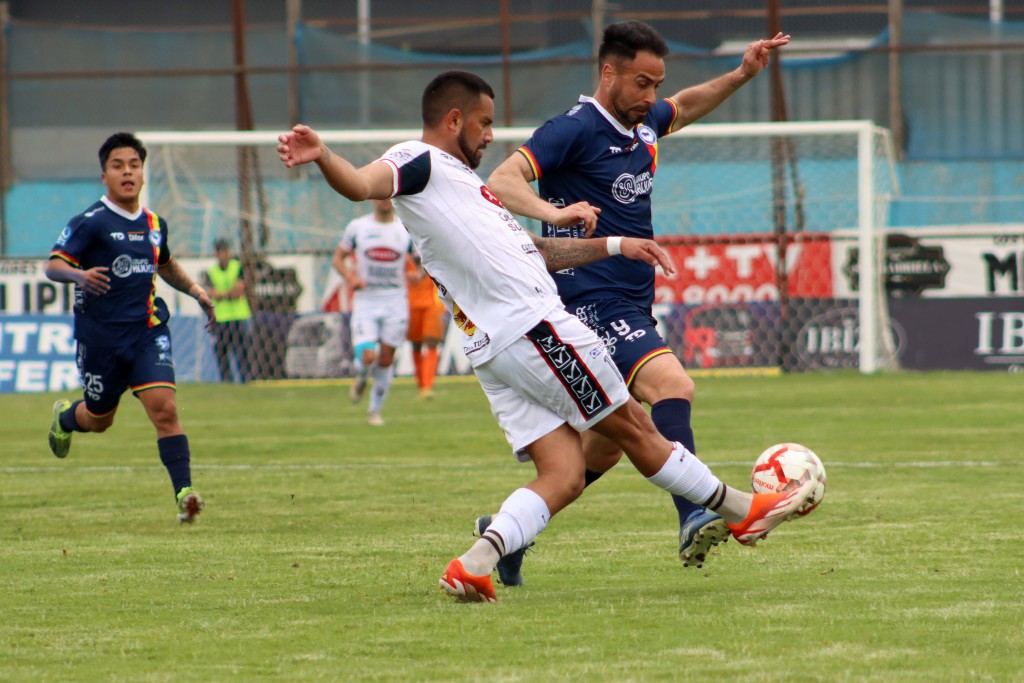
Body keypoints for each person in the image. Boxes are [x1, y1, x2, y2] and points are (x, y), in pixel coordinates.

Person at [277, 70, 814, 603]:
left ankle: (476, 563)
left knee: (564, 474)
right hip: (530, 326)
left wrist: (613, 246)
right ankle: (743, 511)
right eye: (484, 124)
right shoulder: (417, 160)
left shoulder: (467, 188)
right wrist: (324, 155)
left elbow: (533, 250)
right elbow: (361, 184)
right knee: (632, 425)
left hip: (495, 350)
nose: (490, 136)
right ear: (454, 119)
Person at [486, 21, 791, 575]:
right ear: (609, 73)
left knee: (597, 454)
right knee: (673, 384)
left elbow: (685, 105)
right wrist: (556, 214)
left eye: (656, 83)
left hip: (629, 299)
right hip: (587, 297)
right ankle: (695, 512)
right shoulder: (573, 129)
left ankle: (508, 535)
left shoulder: (642, 119)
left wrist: (743, 75)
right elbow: (502, 181)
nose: (651, 96)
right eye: (641, 82)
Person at [45, 131, 216, 524]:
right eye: (118, 166)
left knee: (165, 409)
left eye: (134, 165)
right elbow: (53, 265)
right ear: (104, 175)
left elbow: (165, 263)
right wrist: (80, 275)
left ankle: (184, 494)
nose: (127, 172)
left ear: (142, 173)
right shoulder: (89, 223)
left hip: (147, 332)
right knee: (99, 420)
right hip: (101, 341)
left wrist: (193, 289)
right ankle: (66, 418)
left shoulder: (155, 224)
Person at [333, 197, 414, 426]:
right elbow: (338, 258)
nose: (384, 200)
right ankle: (360, 378)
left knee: (386, 359)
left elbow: (420, 259)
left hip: (395, 301)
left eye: (387, 194)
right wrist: (350, 277)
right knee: (369, 356)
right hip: (366, 300)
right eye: (378, 194)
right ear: (371, 198)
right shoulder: (358, 228)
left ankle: (374, 411)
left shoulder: (404, 228)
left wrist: (417, 273)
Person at [201, 238, 251, 383]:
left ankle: (245, 382)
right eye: (219, 251)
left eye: (224, 251)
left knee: (242, 353)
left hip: (238, 316)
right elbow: (211, 293)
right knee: (222, 354)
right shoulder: (212, 272)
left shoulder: (237, 267)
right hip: (221, 318)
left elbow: (240, 290)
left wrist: (222, 294)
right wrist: (229, 292)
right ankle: (226, 383)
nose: (223, 254)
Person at [406, 252, 448, 400]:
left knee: (431, 342)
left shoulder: (428, 239)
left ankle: (427, 387)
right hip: (410, 304)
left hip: (432, 303)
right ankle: (421, 384)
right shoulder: (401, 244)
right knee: (416, 344)